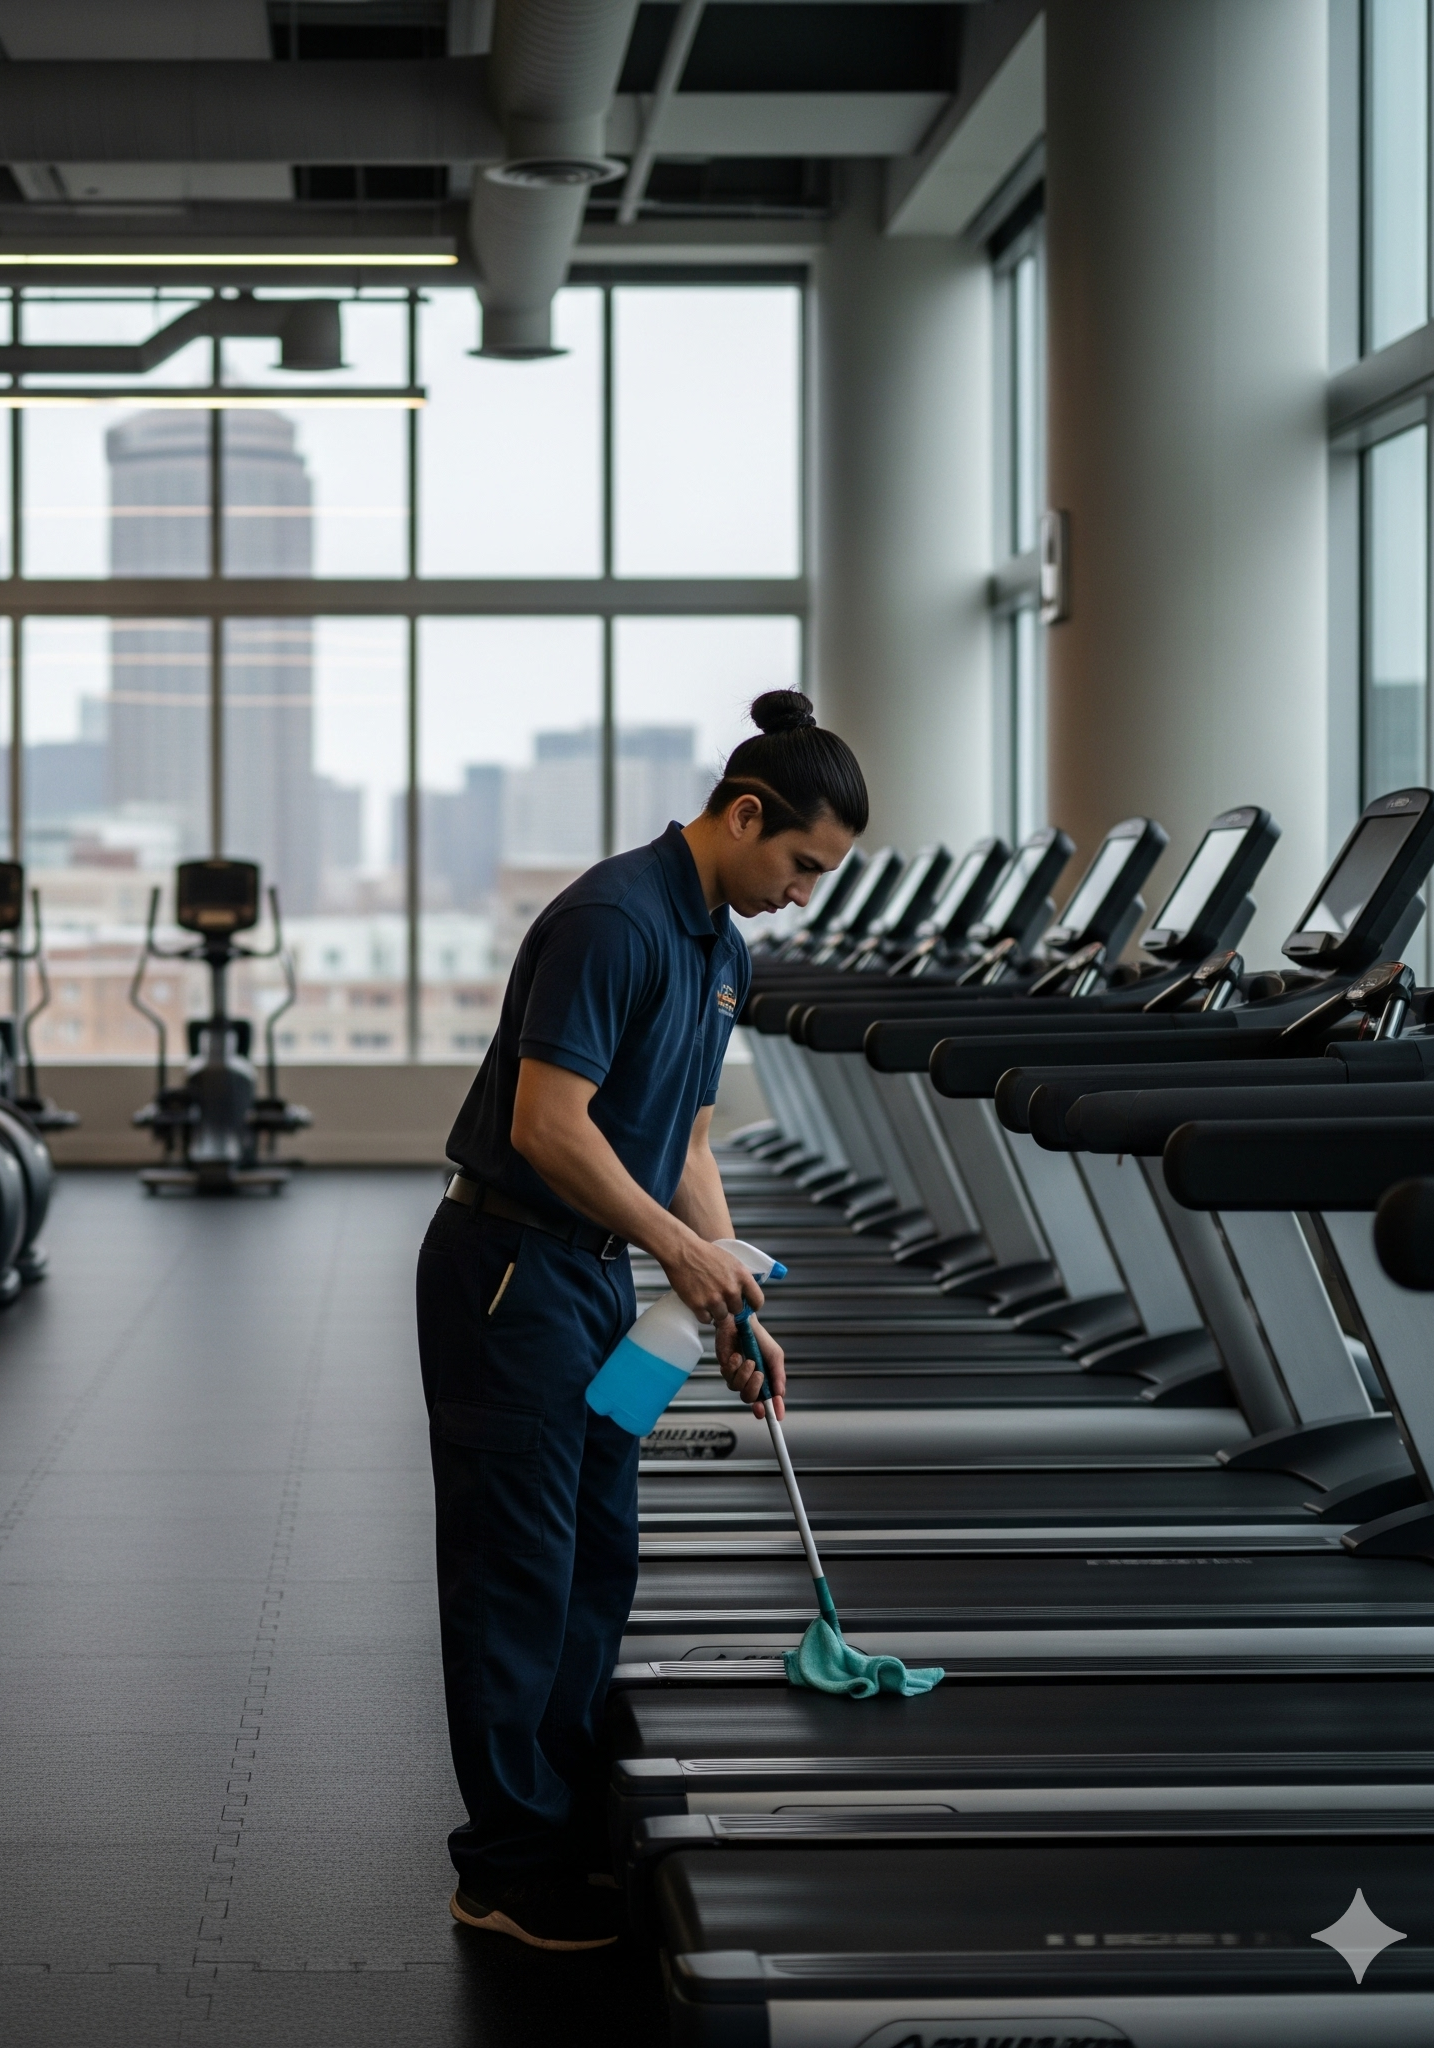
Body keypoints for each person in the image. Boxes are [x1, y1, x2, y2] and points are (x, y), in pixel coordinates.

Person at [416, 688, 868, 1951]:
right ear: (740, 813)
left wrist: (721, 1282)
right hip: (511, 1275)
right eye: (799, 863)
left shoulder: (721, 946)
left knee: (596, 1552)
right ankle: (501, 1867)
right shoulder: (613, 919)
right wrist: (679, 1249)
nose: (802, 891)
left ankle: (555, 1821)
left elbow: (685, 1136)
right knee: (520, 1571)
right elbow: (543, 1128)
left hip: (604, 1284)